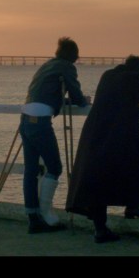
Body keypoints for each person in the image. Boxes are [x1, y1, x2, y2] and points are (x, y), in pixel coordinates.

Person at [66, 55, 139, 243]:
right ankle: (112, 223)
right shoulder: (133, 77)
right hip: (119, 133)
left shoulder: (107, 75)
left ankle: (117, 216)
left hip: (95, 132)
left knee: (100, 177)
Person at [19, 36, 90, 234]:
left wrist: (64, 101)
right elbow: (76, 94)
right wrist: (84, 101)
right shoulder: (67, 67)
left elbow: (47, 95)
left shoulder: (46, 66)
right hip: (41, 122)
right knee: (55, 167)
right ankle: (46, 214)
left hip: (25, 119)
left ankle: (33, 219)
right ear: (73, 55)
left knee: (31, 170)